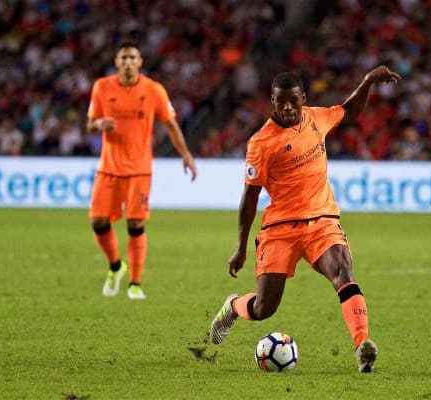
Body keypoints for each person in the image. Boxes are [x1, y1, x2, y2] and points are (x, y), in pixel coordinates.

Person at [209, 67, 401, 373]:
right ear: (272, 103)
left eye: (292, 101)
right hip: (279, 229)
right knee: (263, 309)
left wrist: (367, 81)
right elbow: (250, 197)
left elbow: (349, 112)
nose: (286, 107)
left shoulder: (317, 118)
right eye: (279, 101)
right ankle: (233, 306)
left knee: (344, 274)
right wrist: (241, 247)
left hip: (322, 221)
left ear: (303, 99)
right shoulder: (261, 143)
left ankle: (362, 345)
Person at [87, 42, 197, 300]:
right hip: (109, 169)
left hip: (139, 170)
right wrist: (98, 124)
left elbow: (170, 125)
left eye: (132, 58)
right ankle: (116, 266)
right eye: (123, 57)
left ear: (140, 62)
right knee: (98, 221)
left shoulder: (153, 90)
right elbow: (90, 125)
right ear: (116, 62)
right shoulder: (102, 87)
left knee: (135, 224)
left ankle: (135, 284)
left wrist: (186, 155)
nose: (127, 62)